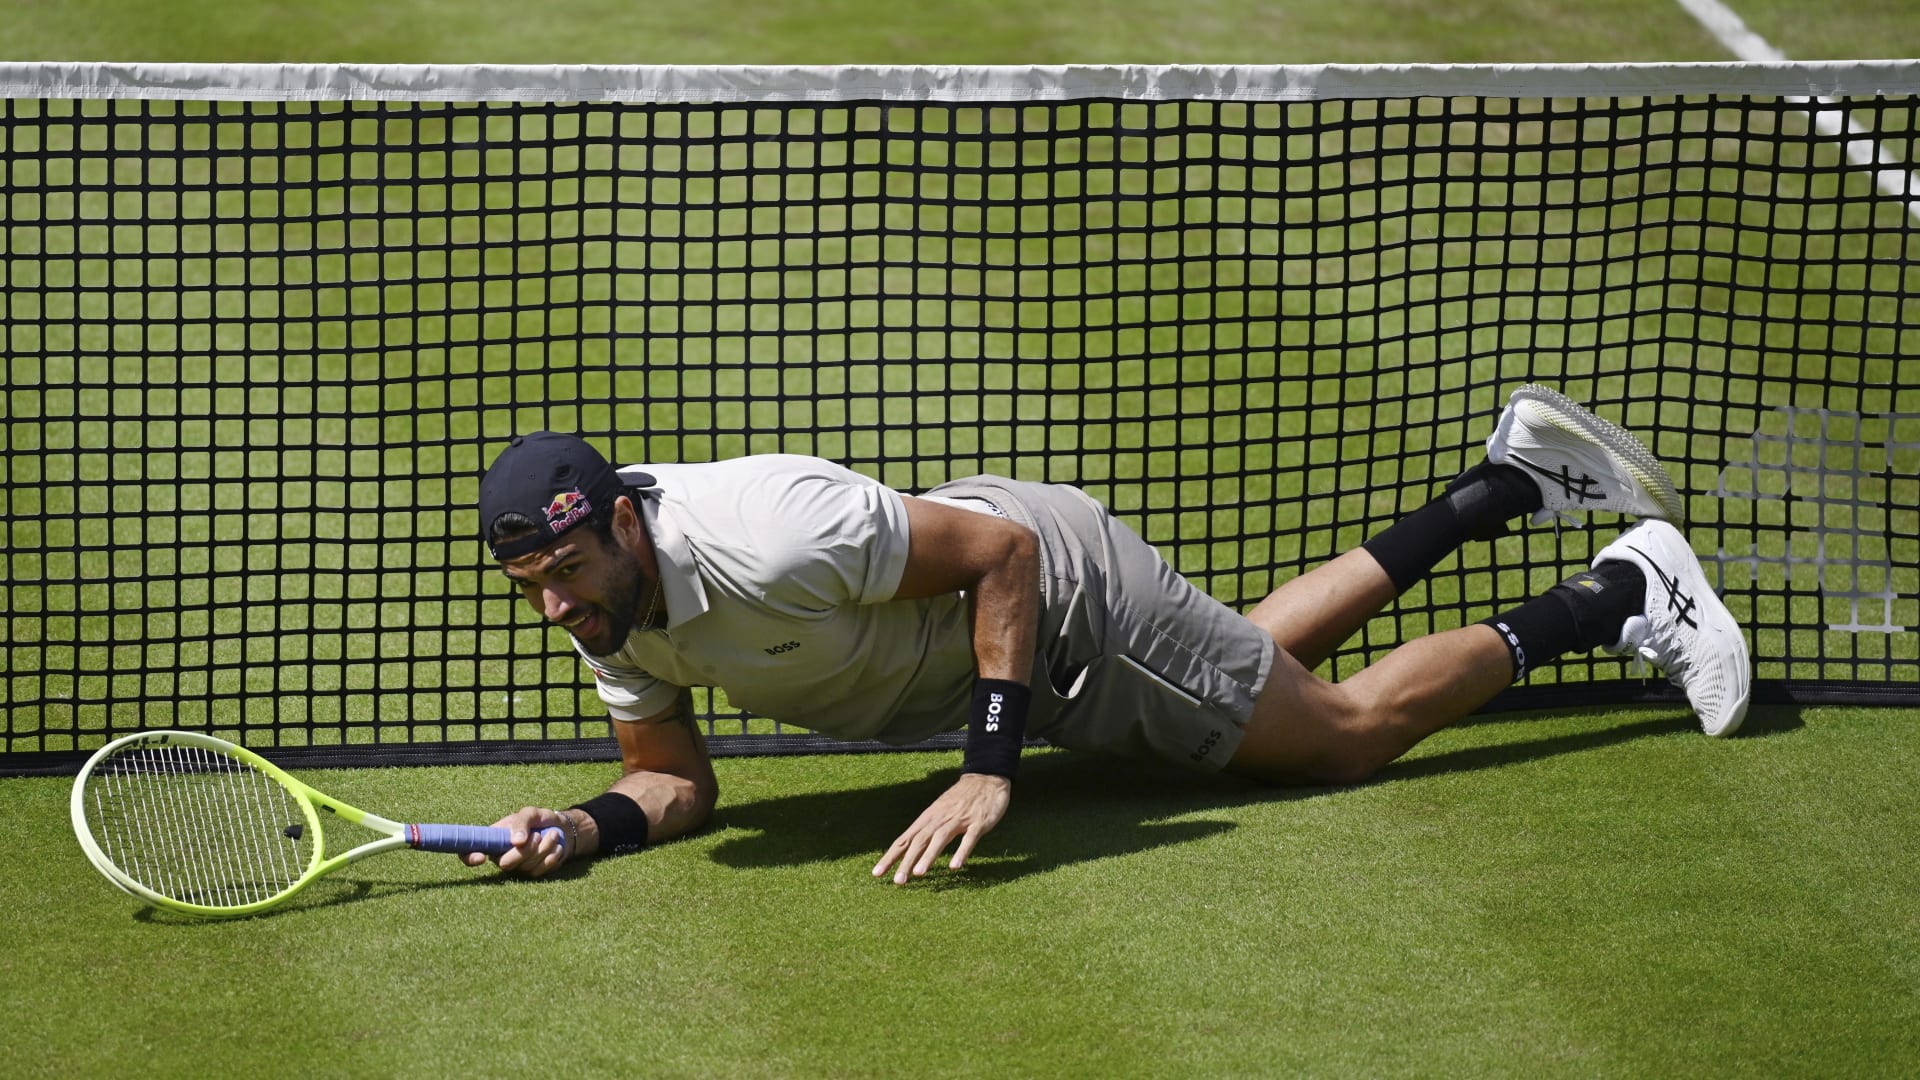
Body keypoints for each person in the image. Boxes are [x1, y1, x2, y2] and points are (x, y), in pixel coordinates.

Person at [463, 384, 1750, 885]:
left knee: (1342, 737)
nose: (557, 608)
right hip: (1015, 644)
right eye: (535, 587)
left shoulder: (770, 531)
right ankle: (1507, 488)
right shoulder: (609, 611)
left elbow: (1001, 556)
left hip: (1061, 600)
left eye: (569, 573)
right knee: (1251, 664)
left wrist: (991, 759)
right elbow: (674, 778)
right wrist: (584, 826)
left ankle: (1618, 597)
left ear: (626, 525)